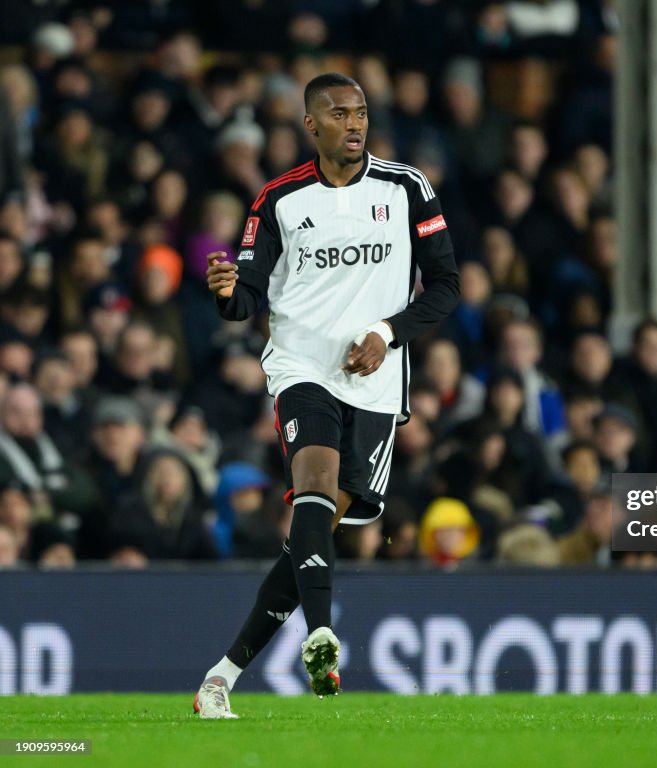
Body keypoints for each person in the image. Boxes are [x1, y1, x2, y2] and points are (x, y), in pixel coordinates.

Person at [195, 73, 459, 718]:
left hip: (375, 382)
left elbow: (446, 286)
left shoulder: (406, 188)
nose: (354, 123)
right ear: (311, 125)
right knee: (311, 487)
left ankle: (220, 678)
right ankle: (321, 635)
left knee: (309, 540)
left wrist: (386, 334)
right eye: (339, 113)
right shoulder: (279, 200)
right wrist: (228, 294)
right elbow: (248, 297)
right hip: (301, 367)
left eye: (361, 112)